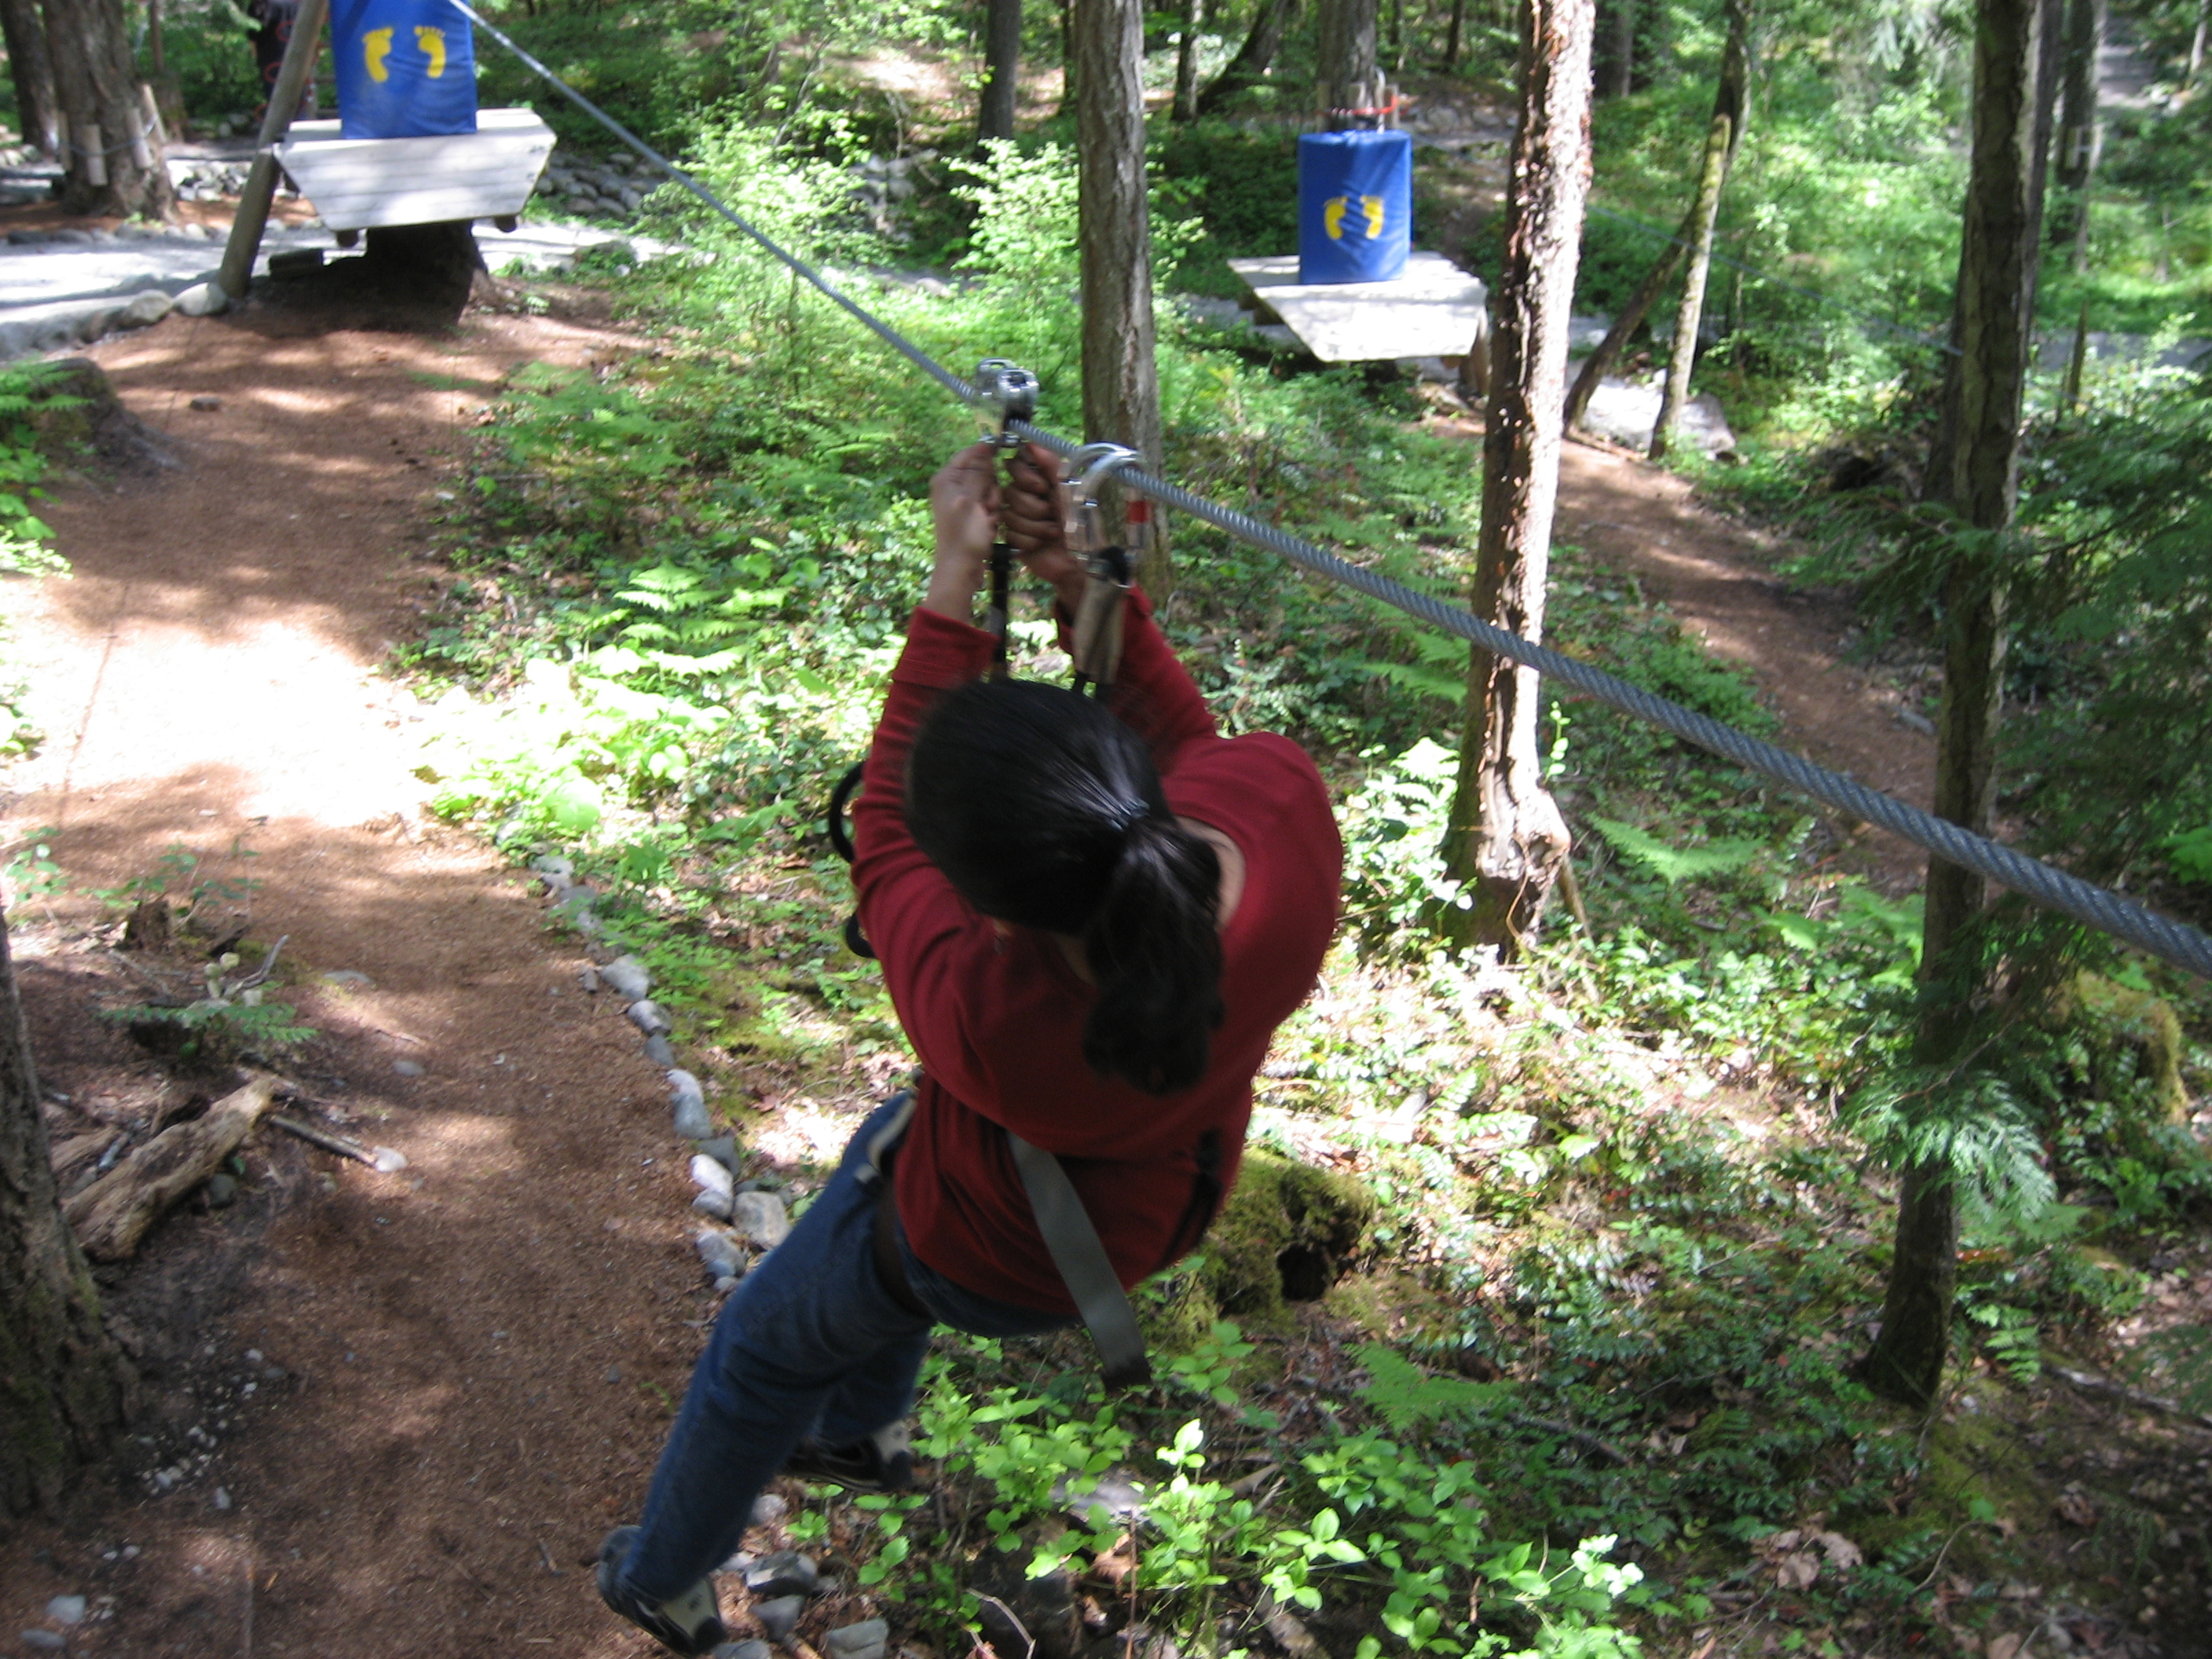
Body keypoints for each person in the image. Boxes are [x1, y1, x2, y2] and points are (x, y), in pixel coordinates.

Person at [596, 441, 1343, 1655]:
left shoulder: (995, 1022)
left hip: (992, 1243)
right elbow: (1186, 748)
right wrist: (1070, 576)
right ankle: (861, 1431)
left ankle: (663, 1580)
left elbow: (886, 829)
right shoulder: (1281, 808)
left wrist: (955, 577)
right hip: (1154, 1198)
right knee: (879, 1166)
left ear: (1000, 917)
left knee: (764, 1345)